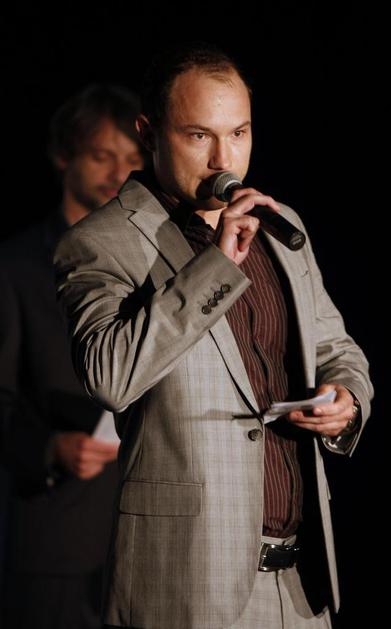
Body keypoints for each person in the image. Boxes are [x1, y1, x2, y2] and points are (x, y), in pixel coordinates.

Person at [54, 44, 373, 629]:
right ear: (149, 133)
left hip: (301, 582)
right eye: (199, 136)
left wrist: (346, 401)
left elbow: (337, 348)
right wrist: (216, 266)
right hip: (188, 585)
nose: (224, 159)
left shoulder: (281, 226)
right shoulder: (102, 241)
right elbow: (109, 376)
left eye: (239, 134)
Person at [0, 84, 146, 629]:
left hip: (146, 541)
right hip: (58, 542)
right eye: (102, 155)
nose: (119, 172)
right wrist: (48, 448)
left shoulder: (153, 265)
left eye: (132, 159)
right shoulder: (16, 266)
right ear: (65, 156)